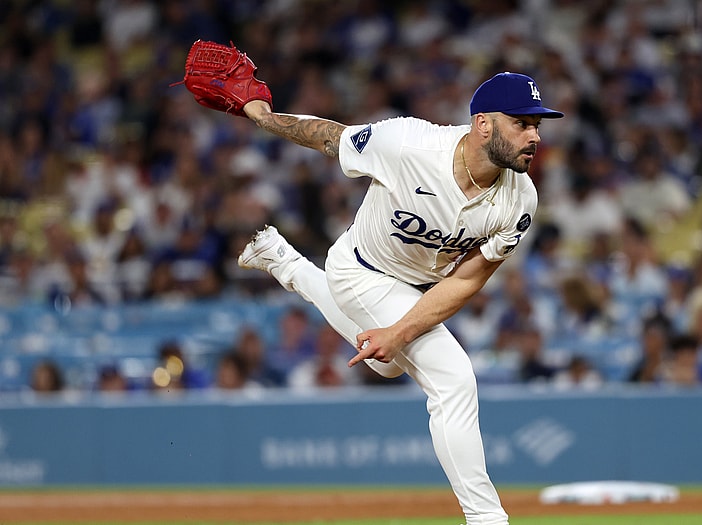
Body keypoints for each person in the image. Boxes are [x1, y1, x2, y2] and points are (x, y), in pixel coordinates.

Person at [230, 71, 563, 525]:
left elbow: (467, 280)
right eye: (522, 123)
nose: (534, 135)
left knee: (384, 362)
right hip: (362, 270)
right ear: (483, 124)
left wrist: (399, 330)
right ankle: (488, 519)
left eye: (537, 125)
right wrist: (266, 119)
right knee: (453, 378)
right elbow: (331, 137)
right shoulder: (409, 145)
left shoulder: (520, 200)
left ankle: (287, 264)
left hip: (418, 287)